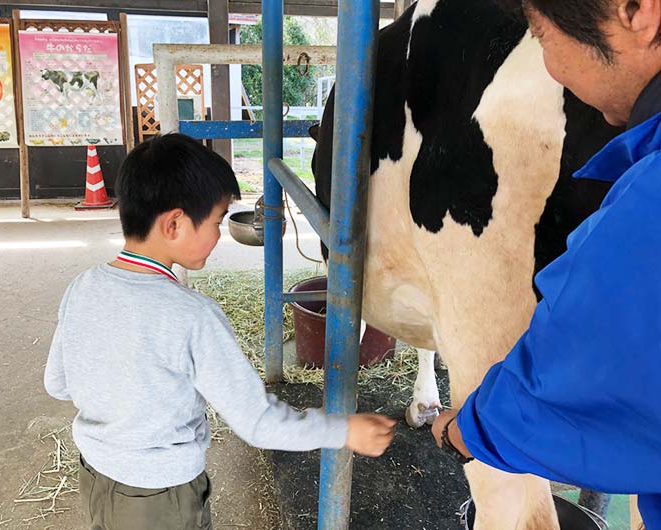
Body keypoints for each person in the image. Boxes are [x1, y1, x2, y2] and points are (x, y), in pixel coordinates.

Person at [44, 134, 396, 530]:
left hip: (95, 480)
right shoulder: (192, 315)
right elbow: (258, 423)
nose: (218, 235)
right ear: (174, 224)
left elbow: (58, 383)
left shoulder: (83, 285)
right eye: (216, 221)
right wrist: (343, 429)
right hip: (161, 499)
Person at [431, 0, 661, 528]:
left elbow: (561, 380)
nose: (550, 64)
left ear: (634, 10)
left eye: (539, 31)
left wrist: (460, 432)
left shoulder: (650, 200)